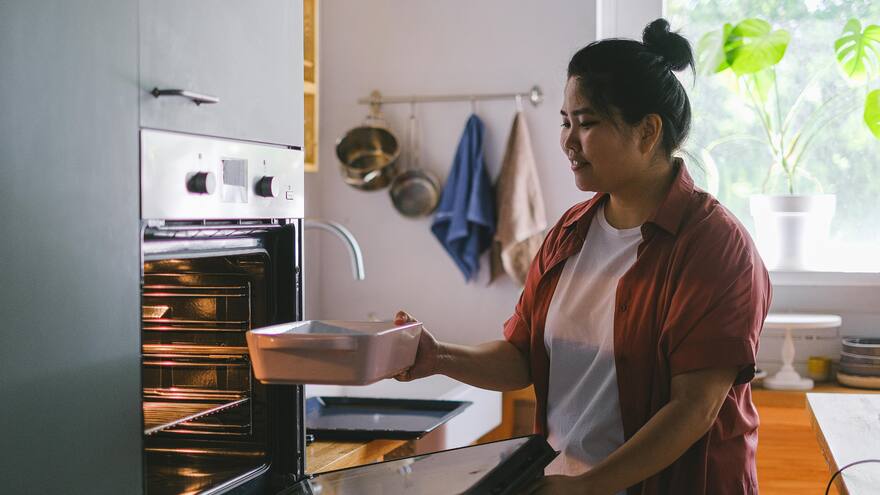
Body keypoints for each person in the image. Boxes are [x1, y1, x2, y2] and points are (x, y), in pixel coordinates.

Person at [395, 18, 771, 495]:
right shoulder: (569, 233)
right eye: (565, 122)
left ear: (647, 131)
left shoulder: (715, 247)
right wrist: (438, 356)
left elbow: (694, 408)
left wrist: (590, 486)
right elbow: (522, 357)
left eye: (587, 123)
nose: (568, 142)